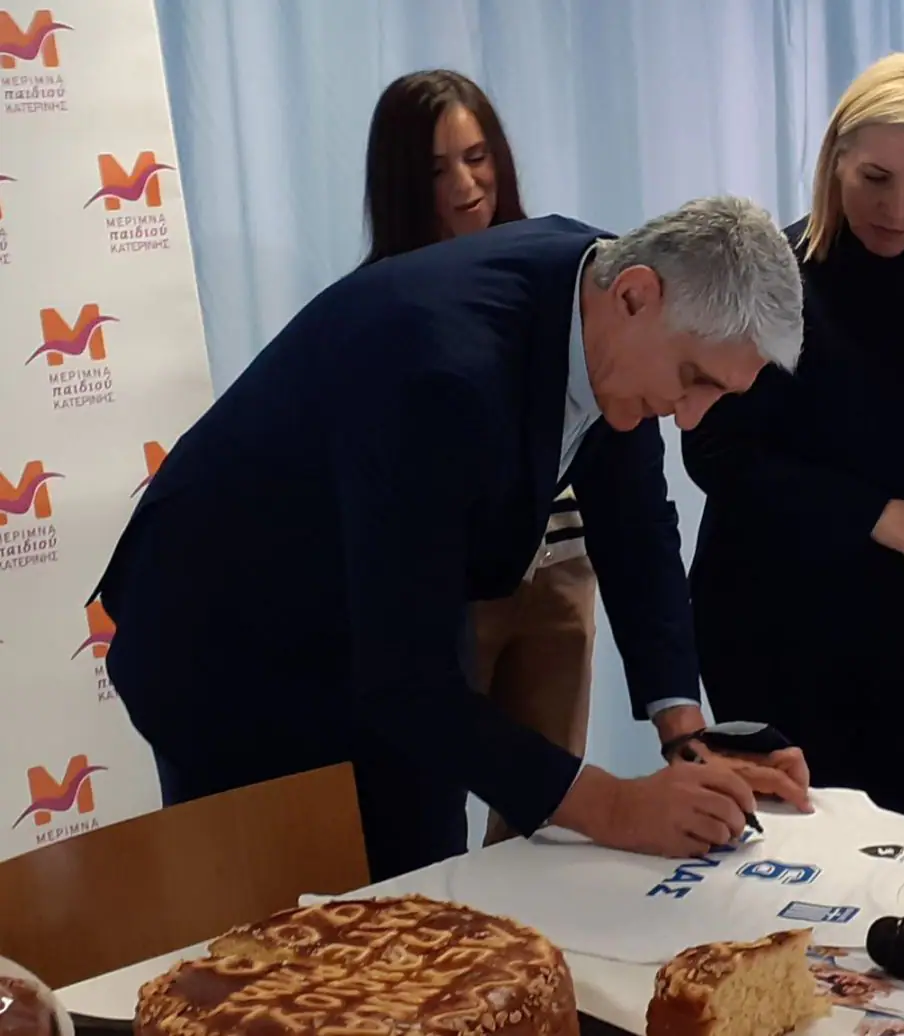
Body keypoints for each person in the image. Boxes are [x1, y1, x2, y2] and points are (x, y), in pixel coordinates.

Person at [92, 194, 811, 882]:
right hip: (228, 638)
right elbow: (406, 680)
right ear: (634, 295)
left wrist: (688, 740)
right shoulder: (445, 370)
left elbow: (637, 526)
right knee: (287, 933)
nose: (690, 418)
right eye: (692, 380)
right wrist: (617, 807)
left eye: (718, 394)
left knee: (426, 879)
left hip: (370, 619)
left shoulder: (608, 303)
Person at [682, 53, 904, 833]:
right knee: (800, 853)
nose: (896, 209)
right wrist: (869, 513)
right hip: (775, 617)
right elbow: (714, 450)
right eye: (875, 178)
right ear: (835, 157)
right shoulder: (769, 276)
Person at [361, 69, 598, 846]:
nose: (466, 186)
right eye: (437, 169)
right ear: (402, 183)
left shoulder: (559, 279)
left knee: (548, 816)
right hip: (451, 591)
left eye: (477, 157)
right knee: (426, 805)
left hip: (561, 568)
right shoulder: (384, 307)